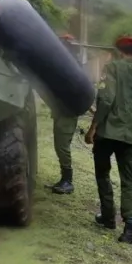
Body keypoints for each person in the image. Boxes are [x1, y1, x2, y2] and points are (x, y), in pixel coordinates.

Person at [85, 35, 132, 245]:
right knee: (130, 182)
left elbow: (106, 99)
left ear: (118, 51)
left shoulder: (110, 69)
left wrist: (93, 127)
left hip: (107, 133)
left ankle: (108, 218)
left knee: (103, 173)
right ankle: (129, 231)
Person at [49, 33, 83, 195]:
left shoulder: (71, 64)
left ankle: (68, 181)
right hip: (63, 110)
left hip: (67, 111)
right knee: (60, 145)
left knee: (62, 146)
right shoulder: (68, 63)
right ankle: (65, 179)